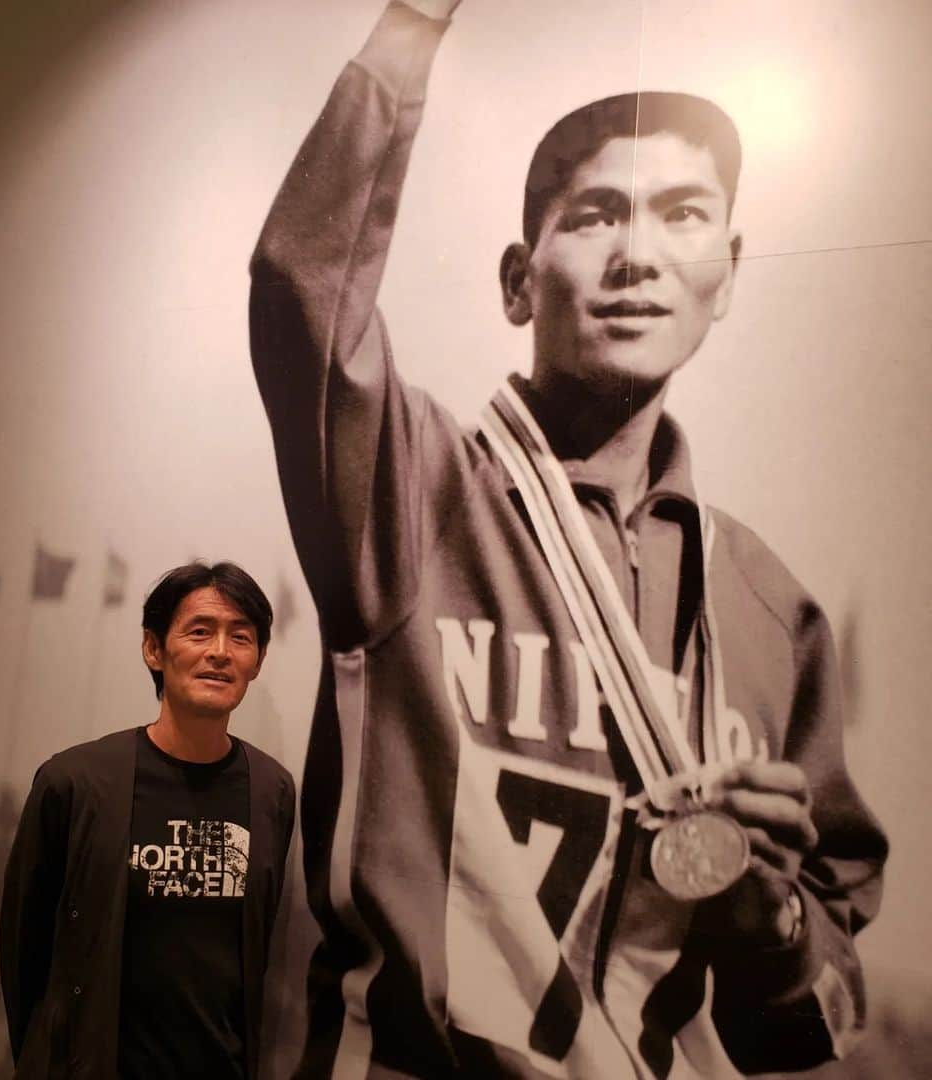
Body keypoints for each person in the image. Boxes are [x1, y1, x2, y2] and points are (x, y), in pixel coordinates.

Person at [249, 1, 887, 1077]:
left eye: (685, 216)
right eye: (595, 215)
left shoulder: (774, 618)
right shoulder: (419, 489)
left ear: (726, 272)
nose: (639, 254)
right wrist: (411, 25)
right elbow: (303, 291)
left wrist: (767, 926)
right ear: (518, 278)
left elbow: (807, 1023)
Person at [0, 561, 295, 1079]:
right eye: (199, 631)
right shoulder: (74, 783)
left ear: (258, 659)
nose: (220, 652)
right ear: (154, 649)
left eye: (240, 637)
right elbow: (25, 955)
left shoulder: (271, 791)